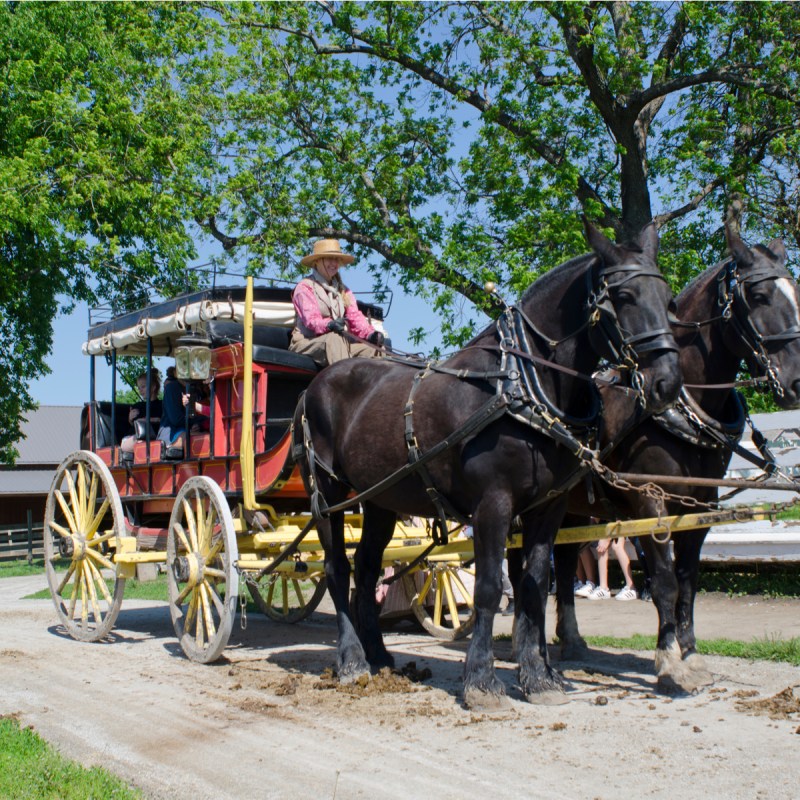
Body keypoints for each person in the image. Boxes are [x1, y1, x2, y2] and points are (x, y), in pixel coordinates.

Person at [289, 238, 385, 368]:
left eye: (336, 259)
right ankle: (346, 387)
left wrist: (371, 334)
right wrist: (329, 325)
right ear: (317, 261)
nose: (334, 263)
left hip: (339, 344)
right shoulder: (305, 287)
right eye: (329, 258)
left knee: (375, 349)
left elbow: (355, 318)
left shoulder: (343, 290)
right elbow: (311, 320)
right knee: (334, 339)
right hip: (307, 342)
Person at [120, 369, 162, 453]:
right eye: (139, 388)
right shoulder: (138, 406)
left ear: (153, 387)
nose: (140, 390)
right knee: (141, 442)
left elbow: (163, 421)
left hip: (154, 437)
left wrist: (148, 420)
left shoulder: (162, 405)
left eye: (143, 387)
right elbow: (133, 424)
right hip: (134, 437)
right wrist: (130, 419)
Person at [157, 367, 186, 446]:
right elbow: (176, 419)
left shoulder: (197, 389)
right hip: (171, 434)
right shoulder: (172, 387)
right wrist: (199, 422)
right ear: (175, 373)